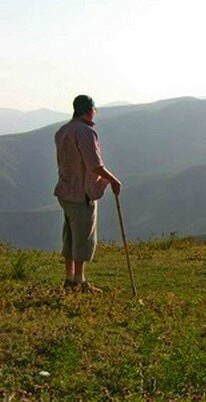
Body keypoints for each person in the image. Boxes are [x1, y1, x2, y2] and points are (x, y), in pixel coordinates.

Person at [54, 95, 122, 292]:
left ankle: (69, 278)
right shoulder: (85, 132)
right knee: (83, 236)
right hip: (81, 193)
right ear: (89, 110)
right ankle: (79, 281)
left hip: (65, 190)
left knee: (70, 235)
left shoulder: (63, 131)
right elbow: (94, 165)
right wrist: (114, 180)